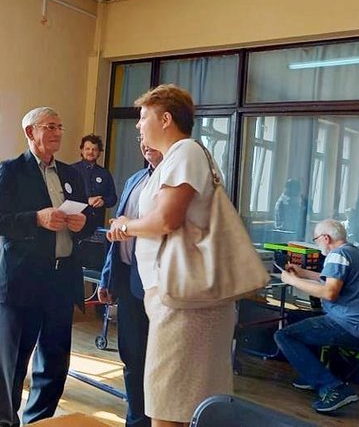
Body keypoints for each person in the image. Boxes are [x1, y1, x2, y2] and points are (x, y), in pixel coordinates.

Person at [107, 84, 236, 427]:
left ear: (165, 120)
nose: (138, 126)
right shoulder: (178, 157)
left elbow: (166, 219)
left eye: (143, 118)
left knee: (169, 404)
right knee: (177, 402)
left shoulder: (185, 152)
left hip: (185, 302)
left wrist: (126, 225)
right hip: (178, 298)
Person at [0, 107, 95, 426]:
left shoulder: (71, 174)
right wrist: (36, 218)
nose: (58, 133)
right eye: (49, 126)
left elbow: (88, 220)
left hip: (62, 282)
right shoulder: (11, 170)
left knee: (54, 364)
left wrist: (83, 224)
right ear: (29, 132)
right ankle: (4, 423)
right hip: (23, 283)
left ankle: (39, 421)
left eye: (60, 127)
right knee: (12, 364)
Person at [275, 219, 359, 413]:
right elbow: (332, 279)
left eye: (316, 239)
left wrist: (291, 280)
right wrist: (303, 273)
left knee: (284, 335)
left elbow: (329, 292)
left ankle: (332, 387)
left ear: (325, 238)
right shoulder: (354, 252)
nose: (317, 243)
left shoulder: (337, 255)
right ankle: (312, 375)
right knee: (304, 326)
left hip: (349, 327)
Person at [98, 139, 163, 427]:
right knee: (131, 356)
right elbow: (117, 233)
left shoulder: (173, 181)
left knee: (157, 360)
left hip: (159, 285)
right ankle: (136, 420)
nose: (144, 145)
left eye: (150, 139)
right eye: (140, 141)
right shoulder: (135, 179)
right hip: (127, 280)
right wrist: (107, 277)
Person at [72, 134, 117, 228]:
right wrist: (87, 200)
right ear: (82, 150)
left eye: (94, 149)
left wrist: (103, 201)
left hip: (97, 224)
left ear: (99, 153)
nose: (90, 152)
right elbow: (65, 197)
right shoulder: (71, 170)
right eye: (87, 149)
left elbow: (113, 198)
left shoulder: (104, 173)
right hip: (76, 224)